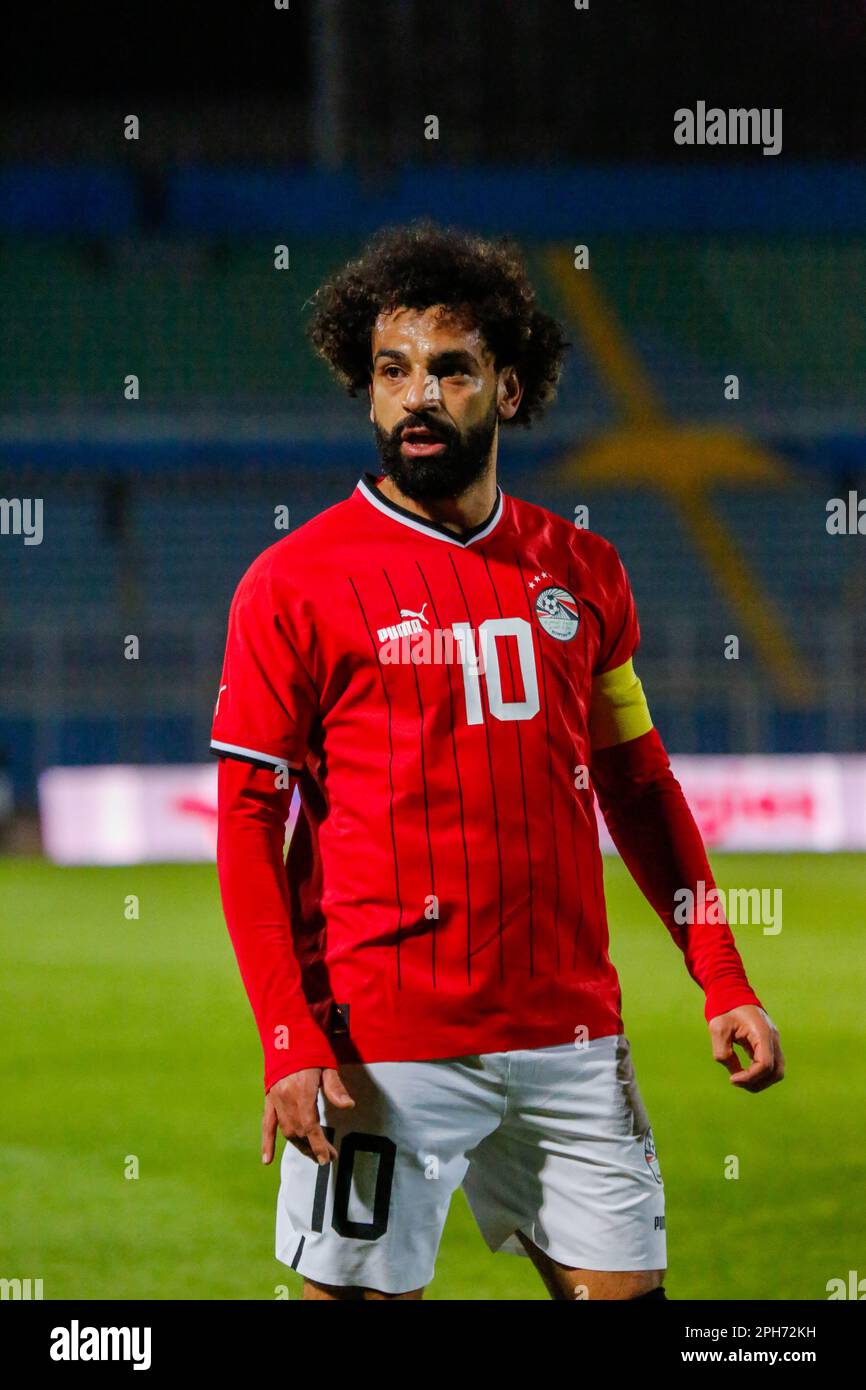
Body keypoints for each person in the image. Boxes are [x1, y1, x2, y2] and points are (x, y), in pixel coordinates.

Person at [212, 222, 783, 1301]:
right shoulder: (291, 584)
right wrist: (287, 1036)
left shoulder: (583, 573)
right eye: (390, 372)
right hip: (382, 1050)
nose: (416, 396)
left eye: (449, 369)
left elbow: (640, 789)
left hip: (572, 1041)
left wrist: (720, 977)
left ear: (507, 390)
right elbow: (248, 822)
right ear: (365, 392)